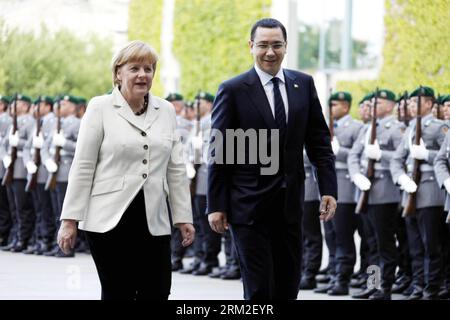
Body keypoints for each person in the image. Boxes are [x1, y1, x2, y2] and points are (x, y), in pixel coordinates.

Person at [207, 18, 337, 300]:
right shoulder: (233, 89)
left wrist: (328, 189)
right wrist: (216, 205)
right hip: (248, 209)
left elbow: (319, 143)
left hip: (290, 207)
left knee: (288, 287)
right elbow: (219, 151)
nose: (270, 52)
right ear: (251, 46)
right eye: (263, 45)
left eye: (276, 45)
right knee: (259, 291)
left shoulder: (303, 84)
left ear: (286, 47)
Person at [56, 40, 195, 300]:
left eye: (148, 68)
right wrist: (69, 220)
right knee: (119, 292)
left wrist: (182, 217)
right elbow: (83, 166)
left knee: (158, 291)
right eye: (134, 68)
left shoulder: (165, 110)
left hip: (154, 219)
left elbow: (175, 168)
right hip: (109, 220)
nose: (143, 74)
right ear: (118, 73)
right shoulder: (99, 107)